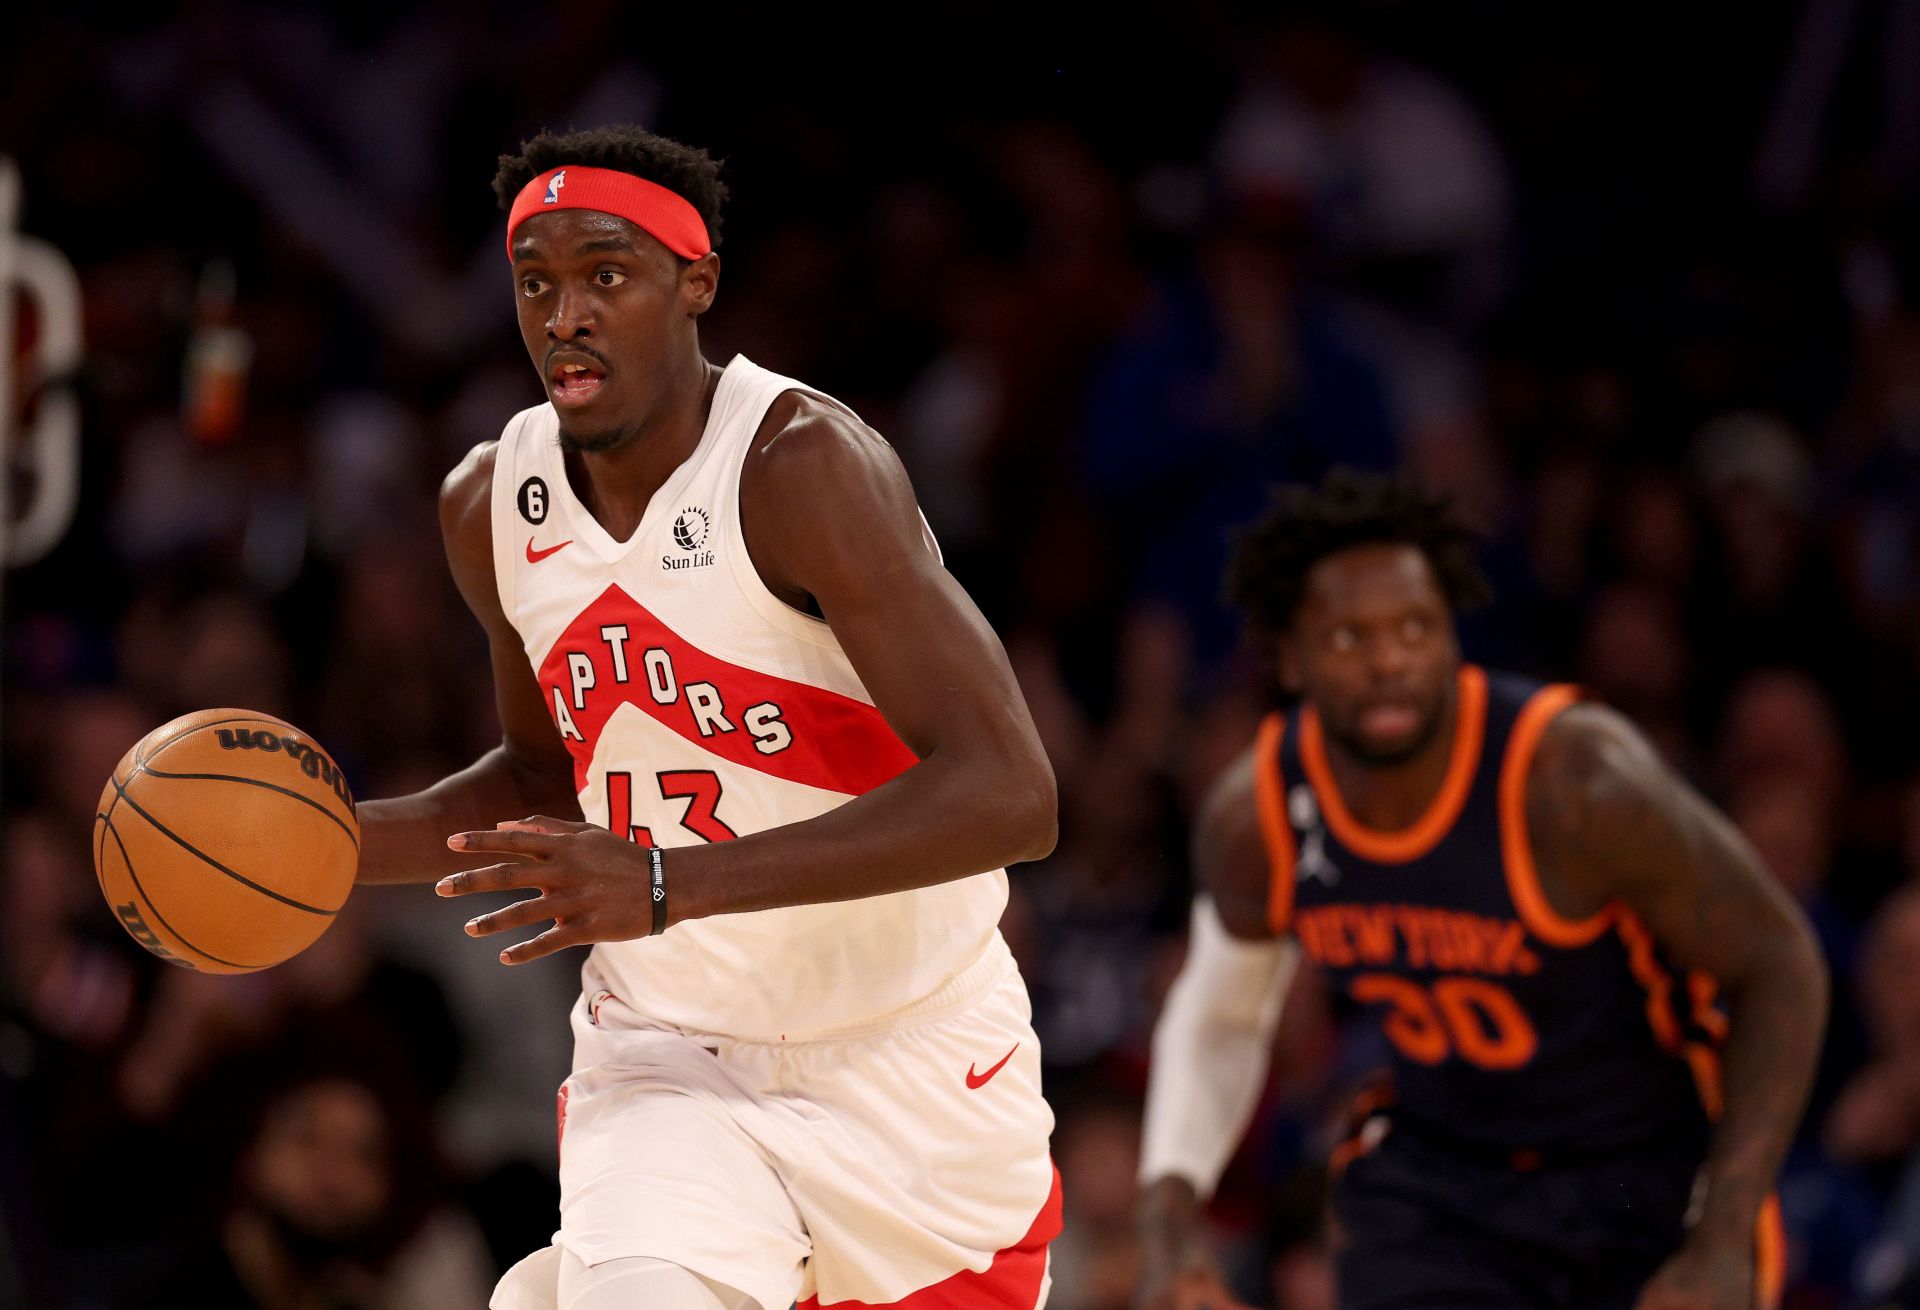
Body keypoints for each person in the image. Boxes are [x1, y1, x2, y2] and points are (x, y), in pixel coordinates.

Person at [350, 125, 1061, 1310]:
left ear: (698, 283)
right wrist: (332, 847)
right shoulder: (492, 500)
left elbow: (1012, 791)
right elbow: (544, 774)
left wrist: (673, 884)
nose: (564, 314)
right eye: (537, 284)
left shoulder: (800, 467)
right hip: (671, 1049)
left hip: (914, 1054)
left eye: (605, 275)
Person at [1135, 472, 1828, 1310]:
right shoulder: (1259, 817)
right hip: (1446, 1178)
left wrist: (1724, 1233)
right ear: (1288, 657)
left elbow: (1781, 964)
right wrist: (1169, 1233)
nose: (1391, 661)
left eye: (1416, 629)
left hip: (1643, 1165)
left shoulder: (1574, 782)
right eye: (1351, 638)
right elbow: (1219, 1019)